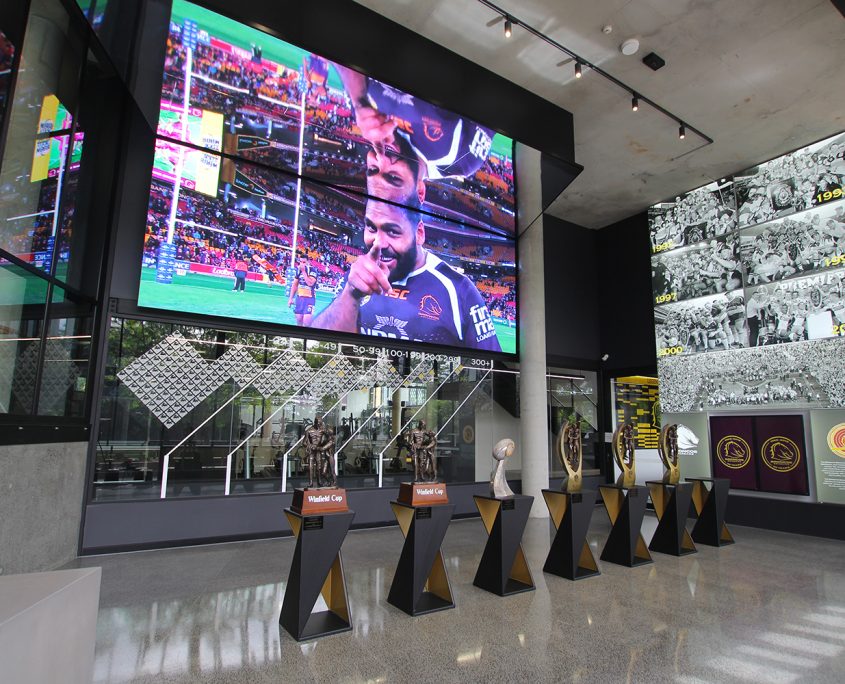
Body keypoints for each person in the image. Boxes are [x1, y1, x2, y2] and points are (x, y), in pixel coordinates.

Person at [312, 199, 502, 351]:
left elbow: (491, 369)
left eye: (393, 231)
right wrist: (350, 294)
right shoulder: (355, 278)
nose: (379, 243)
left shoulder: (459, 289)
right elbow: (318, 349)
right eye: (371, 228)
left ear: (419, 233)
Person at [288, 258, 317, 326]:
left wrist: (304, 271)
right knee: (299, 320)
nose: (302, 264)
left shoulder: (313, 271)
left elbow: (310, 283)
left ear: (308, 262)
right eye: (300, 262)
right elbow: (295, 285)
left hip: (309, 299)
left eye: (304, 262)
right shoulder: (298, 271)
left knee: (306, 322)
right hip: (299, 299)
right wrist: (290, 298)